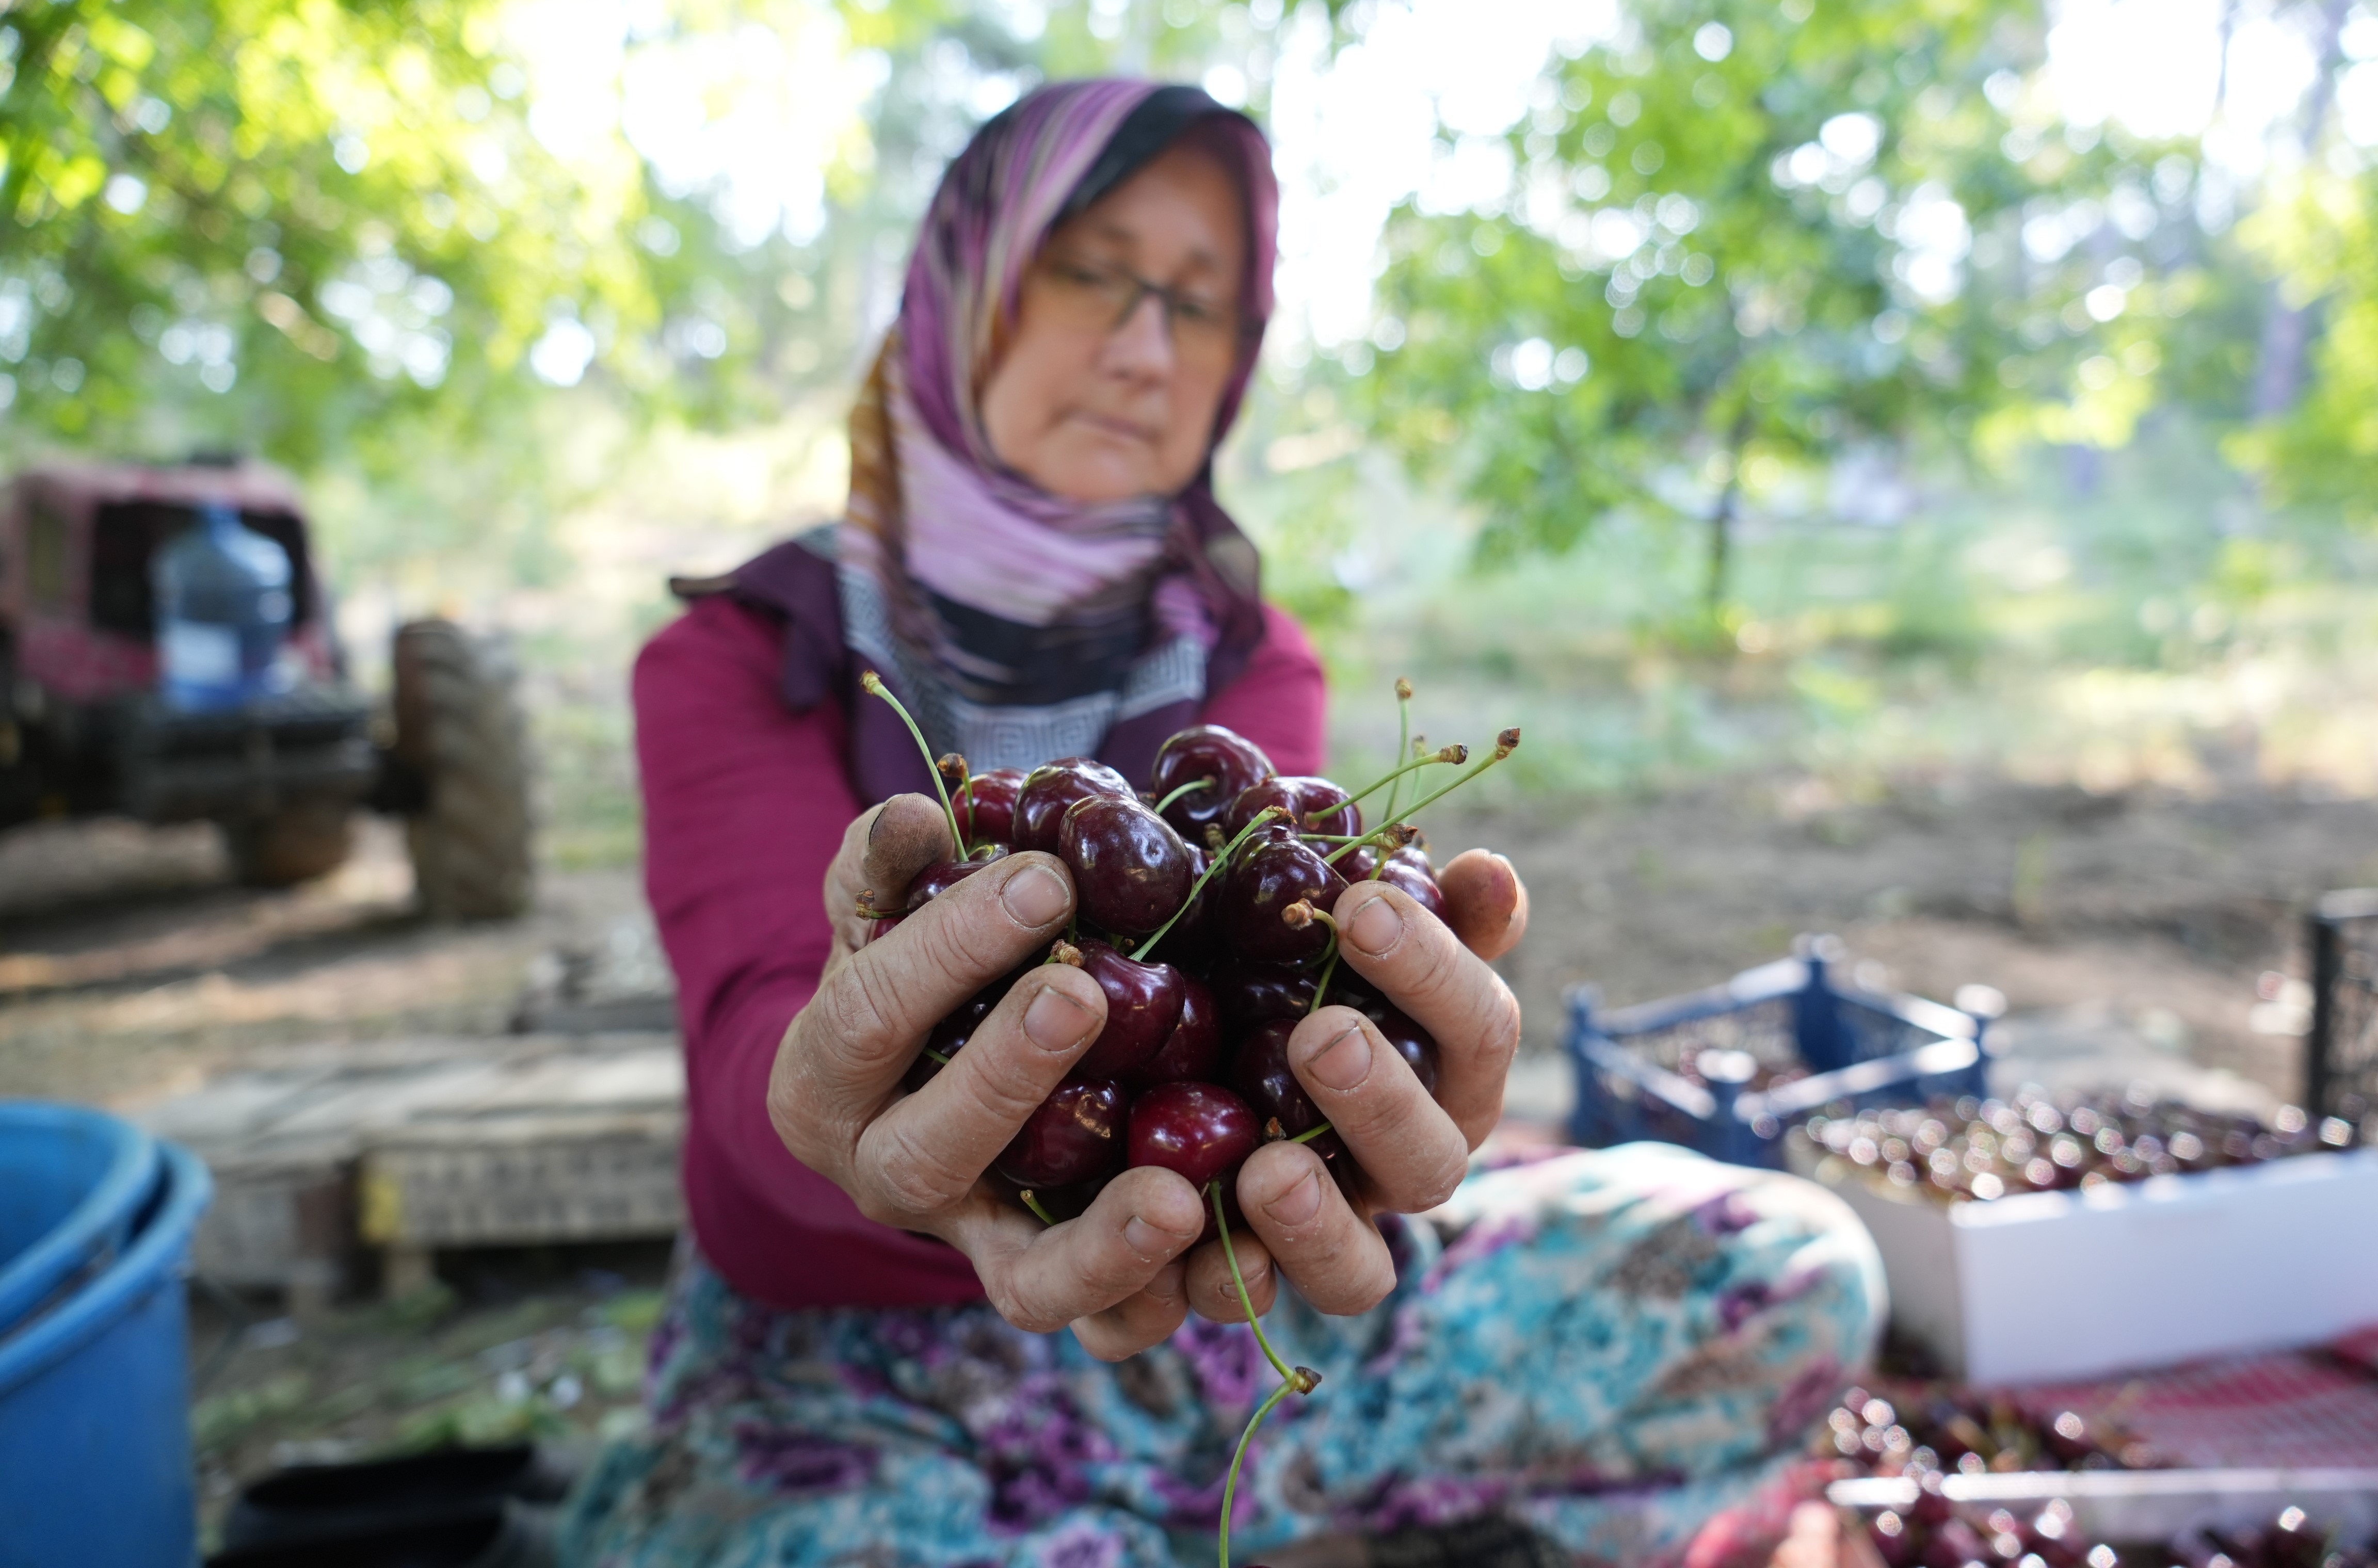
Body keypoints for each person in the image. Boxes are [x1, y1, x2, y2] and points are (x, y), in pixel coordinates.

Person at [562, 79, 1884, 1568]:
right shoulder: (749, 657)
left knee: (1785, 1268)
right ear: (962, 290)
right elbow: (759, 1042)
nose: (1144, 349)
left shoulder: (1248, 659)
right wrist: (836, 1114)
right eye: (1090, 272)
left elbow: (1262, 1001)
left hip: (1232, 1333)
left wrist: (1366, 1107)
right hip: (868, 1365)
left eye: (1200, 305)